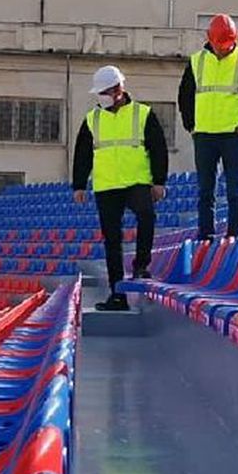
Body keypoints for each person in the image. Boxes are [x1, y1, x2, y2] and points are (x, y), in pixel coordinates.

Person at [72, 64, 169, 312]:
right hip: (106, 186)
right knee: (111, 241)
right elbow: (82, 154)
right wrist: (79, 185)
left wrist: (159, 181)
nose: (101, 97)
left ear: (118, 89)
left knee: (147, 216)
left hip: (137, 181)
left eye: (105, 92)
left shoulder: (143, 114)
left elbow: (158, 148)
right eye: (99, 93)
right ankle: (117, 295)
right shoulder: (92, 119)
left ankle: (141, 264)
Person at [178, 14, 238, 240]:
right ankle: (206, 233)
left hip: (233, 135)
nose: (223, 51)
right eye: (219, 46)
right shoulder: (197, 61)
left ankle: (234, 234)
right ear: (209, 40)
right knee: (205, 191)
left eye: (227, 46)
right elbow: (185, 95)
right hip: (204, 135)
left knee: (235, 191)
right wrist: (190, 123)